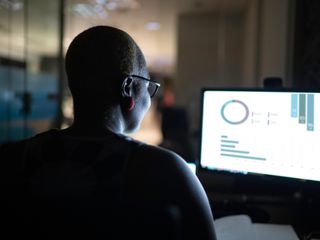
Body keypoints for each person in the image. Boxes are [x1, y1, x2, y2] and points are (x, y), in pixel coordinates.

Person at [0, 26, 216, 240]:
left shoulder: (12, 158)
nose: (150, 100)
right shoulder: (164, 169)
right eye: (148, 86)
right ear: (128, 87)